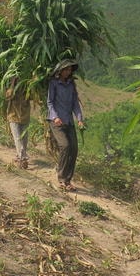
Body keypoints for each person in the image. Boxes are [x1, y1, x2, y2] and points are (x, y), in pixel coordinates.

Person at [47, 58, 85, 192]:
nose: (68, 72)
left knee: (74, 149)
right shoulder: (54, 83)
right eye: (66, 69)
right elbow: (50, 102)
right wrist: (55, 117)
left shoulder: (71, 85)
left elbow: (75, 103)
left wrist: (79, 118)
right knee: (65, 146)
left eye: (70, 70)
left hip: (68, 121)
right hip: (56, 121)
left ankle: (68, 180)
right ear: (60, 70)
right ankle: (62, 178)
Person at [5, 77, 31, 169]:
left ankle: (19, 156)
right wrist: (12, 85)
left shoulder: (27, 88)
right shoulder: (10, 88)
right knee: (17, 138)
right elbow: (8, 96)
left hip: (25, 115)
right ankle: (22, 158)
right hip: (13, 115)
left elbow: (32, 97)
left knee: (24, 138)